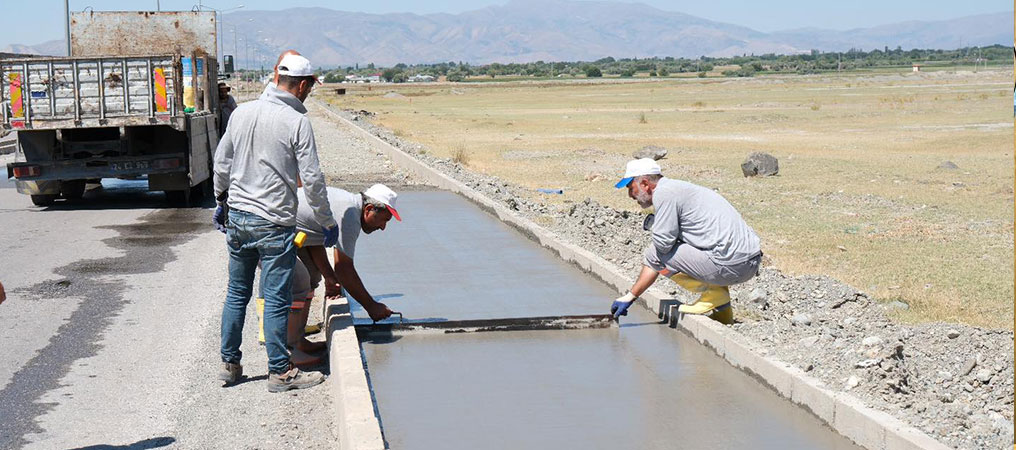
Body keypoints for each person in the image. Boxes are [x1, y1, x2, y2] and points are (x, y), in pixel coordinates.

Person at [212, 53, 338, 393]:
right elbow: (312, 180)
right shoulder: (296, 122)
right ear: (300, 85)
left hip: (238, 217)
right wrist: (327, 222)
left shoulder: (242, 113)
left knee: (236, 293)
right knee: (276, 297)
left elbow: (222, 163)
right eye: (310, 85)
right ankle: (280, 371)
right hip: (273, 222)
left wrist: (221, 201)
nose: (310, 92)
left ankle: (229, 364)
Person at [609, 158, 762, 325]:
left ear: (645, 183)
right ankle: (724, 316)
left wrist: (630, 296)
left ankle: (712, 292)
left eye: (631, 188)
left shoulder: (664, 194)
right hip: (748, 261)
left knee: (655, 254)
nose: (630, 195)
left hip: (733, 265)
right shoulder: (677, 188)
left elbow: (662, 246)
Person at [286, 184, 399, 367]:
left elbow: (314, 237)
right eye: (383, 220)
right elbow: (344, 269)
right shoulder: (350, 215)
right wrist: (371, 306)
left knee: (312, 277)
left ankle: (298, 341)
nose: (383, 227)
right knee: (299, 282)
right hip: (273, 228)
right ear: (369, 209)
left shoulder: (349, 205)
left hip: (295, 231)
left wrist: (328, 276)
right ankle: (289, 350)